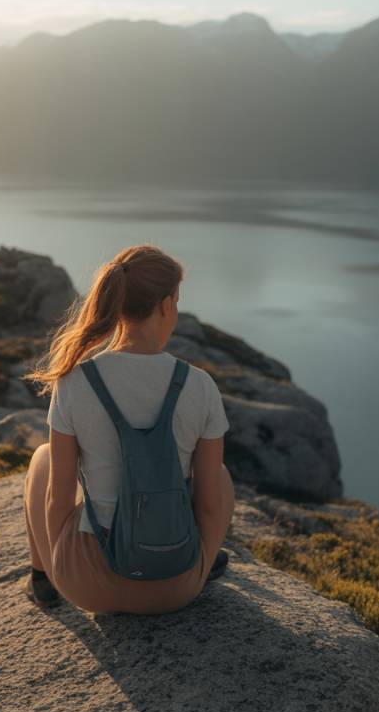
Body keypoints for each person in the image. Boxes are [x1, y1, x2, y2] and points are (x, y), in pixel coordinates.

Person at [21, 244, 234, 615]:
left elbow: (58, 500)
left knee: (43, 459)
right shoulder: (199, 386)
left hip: (88, 589)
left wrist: (63, 567)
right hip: (176, 588)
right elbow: (210, 507)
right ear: (167, 304)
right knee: (219, 476)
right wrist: (199, 558)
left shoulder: (74, 383)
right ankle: (201, 559)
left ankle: (42, 579)